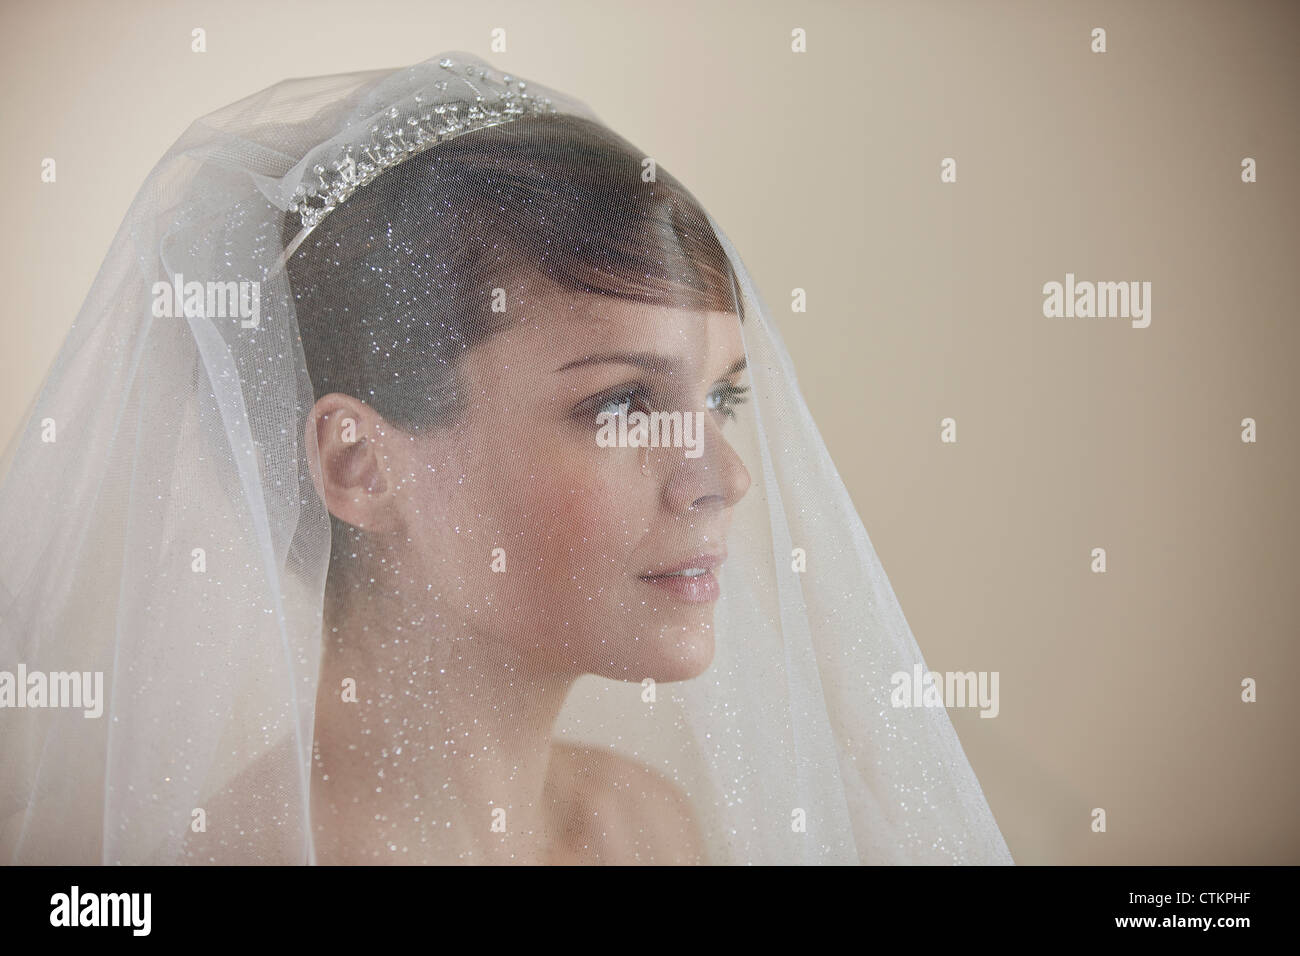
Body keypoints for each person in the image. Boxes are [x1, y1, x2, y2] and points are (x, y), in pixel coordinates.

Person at [0, 53, 1013, 865]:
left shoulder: (642, 829)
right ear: (360, 463)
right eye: (624, 401)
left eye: (723, 397)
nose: (722, 475)